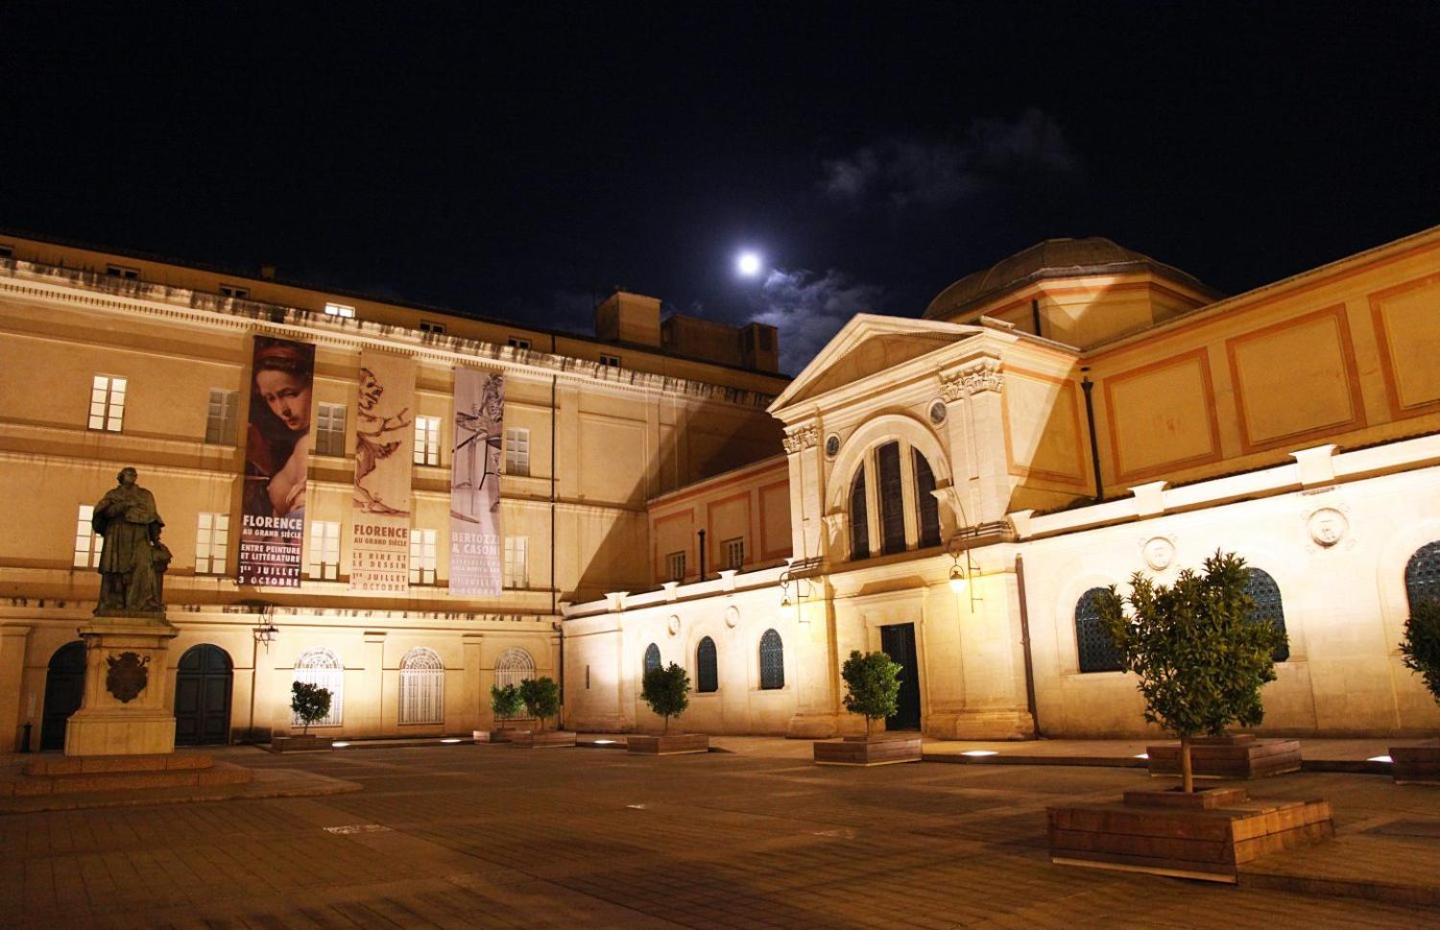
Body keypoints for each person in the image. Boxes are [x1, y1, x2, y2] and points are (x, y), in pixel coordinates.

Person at [245, 340, 314, 519]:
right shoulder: (294, 445)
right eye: (271, 398)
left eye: (290, 394)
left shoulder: (308, 444)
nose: (282, 410)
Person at [92, 467, 165, 614]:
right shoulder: (113, 494)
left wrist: (156, 540)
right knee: (116, 568)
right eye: (128, 474)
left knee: (142, 567)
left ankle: (140, 603)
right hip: (118, 534)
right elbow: (104, 513)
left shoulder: (145, 495)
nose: (132, 476)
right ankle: (114, 603)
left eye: (134, 474)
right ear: (121, 477)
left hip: (139, 535)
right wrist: (123, 506)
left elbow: (152, 517)